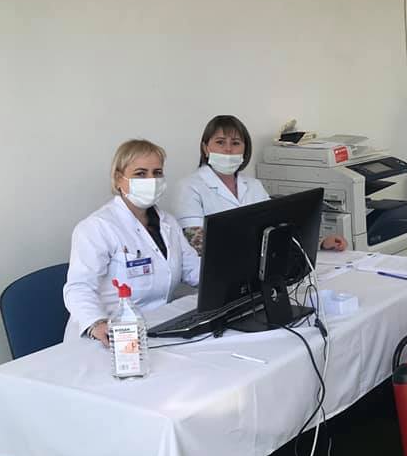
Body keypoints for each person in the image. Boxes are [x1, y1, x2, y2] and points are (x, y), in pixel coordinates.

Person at [63, 139, 200, 346]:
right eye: (140, 174)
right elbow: (78, 287)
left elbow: (193, 270)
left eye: (157, 172)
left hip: (154, 329)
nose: (151, 180)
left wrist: (233, 278)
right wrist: (97, 323)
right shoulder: (97, 227)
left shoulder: (168, 223)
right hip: (106, 337)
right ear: (119, 179)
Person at [175, 115, 347, 254]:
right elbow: (197, 241)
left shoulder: (254, 185)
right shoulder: (189, 187)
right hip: (215, 273)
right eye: (220, 142)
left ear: (245, 149)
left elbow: (276, 228)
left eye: (235, 143)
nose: (228, 149)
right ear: (205, 148)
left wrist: (320, 242)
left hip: (257, 267)